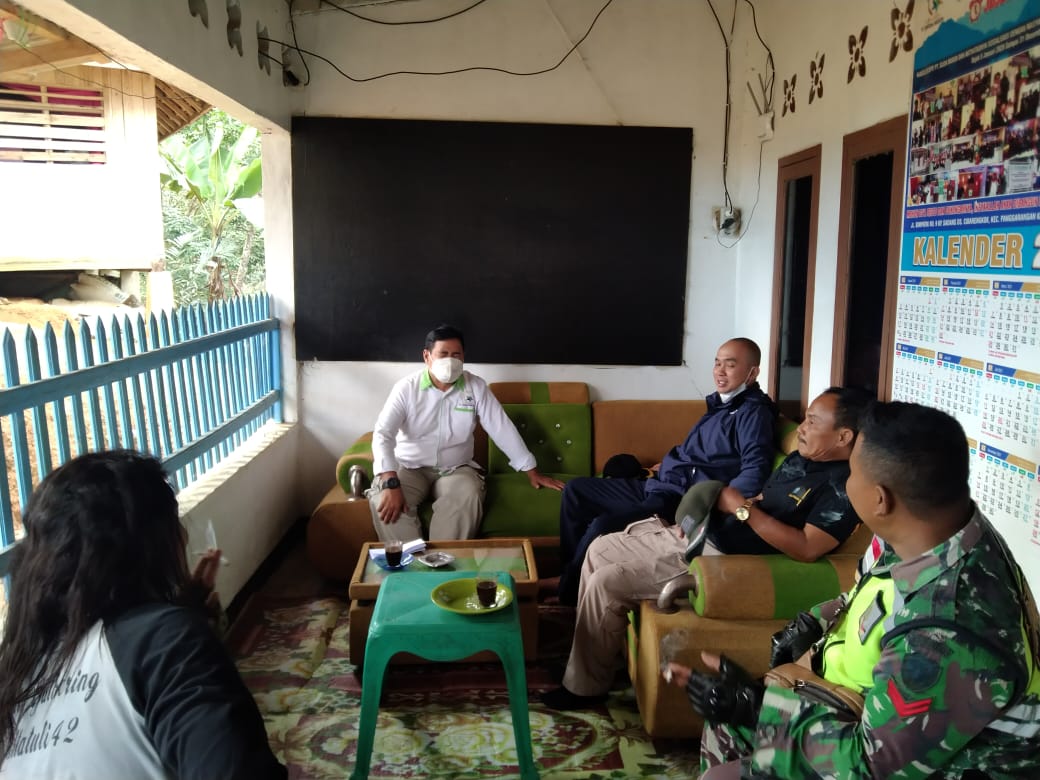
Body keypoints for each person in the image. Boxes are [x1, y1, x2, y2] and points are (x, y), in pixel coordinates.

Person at [676, 402, 1040, 779]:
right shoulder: (936, 531)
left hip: (941, 767)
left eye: (851, 472)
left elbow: (867, 765)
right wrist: (815, 622)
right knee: (730, 724)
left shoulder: (947, 629)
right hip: (884, 720)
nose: (846, 483)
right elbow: (869, 594)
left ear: (881, 499)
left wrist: (757, 710)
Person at [541, 387, 870, 710]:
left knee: (607, 581)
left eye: (812, 421)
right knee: (600, 547)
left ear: (843, 436)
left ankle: (584, 689)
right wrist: (713, 511)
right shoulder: (802, 458)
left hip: (720, 560)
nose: (801, 428)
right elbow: (764, 500)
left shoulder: (845, 487)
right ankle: (593, 662)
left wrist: (742, 509)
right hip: (704, 533)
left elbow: (808, 548)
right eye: (805, 419)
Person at [0, 450, 286, 780]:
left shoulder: (16, 675)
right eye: (175, 524)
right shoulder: (165, 642)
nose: (184, 537)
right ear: (150, 545)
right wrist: (180, 628)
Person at [556, 338, 776, 605]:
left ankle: (567, 595)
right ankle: (567, 577)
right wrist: (671, 464)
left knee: (602, 525)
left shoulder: (753, 413)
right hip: (662, 483)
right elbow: (701, 455)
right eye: (717, 363)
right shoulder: (722, 405)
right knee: (576, 491)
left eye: (730, 365)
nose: (720, 371)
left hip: (676, 499)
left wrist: (708, 508)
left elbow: (754, 470)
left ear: (752, 373)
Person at [369, 324, 564, 542]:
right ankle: (411, 560)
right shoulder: (406, 388)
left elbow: (501, 427)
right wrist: (390, 481)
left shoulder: (475, 387)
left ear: (463, 357)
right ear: (427, 356)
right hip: (409, 468)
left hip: (456, 469)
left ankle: (445, 559)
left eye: (456, 355)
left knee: (468, 493)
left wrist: (532, 471)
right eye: (443, 354)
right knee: (384, 502)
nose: (450, 361)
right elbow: (383, 434)